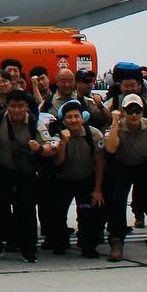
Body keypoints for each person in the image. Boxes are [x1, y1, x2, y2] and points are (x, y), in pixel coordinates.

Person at [103, 92, 147, 261]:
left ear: (142, 112)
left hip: (145, 166)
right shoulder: (115, 127)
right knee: (117, 202)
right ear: (123, 111)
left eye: (137, 110)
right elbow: (110, 149)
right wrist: (115, 122)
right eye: (129, 110)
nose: (134, 114)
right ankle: (117, 241)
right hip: (122, 165)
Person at [0, 89, 48, 262]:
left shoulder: (36, 124)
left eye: (21, 106)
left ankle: (29, 250)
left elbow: (48, 146)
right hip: (2, 172)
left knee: (26, 211)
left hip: (25, 174)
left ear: (27, 106)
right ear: (7, 106)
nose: (17, 110)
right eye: (13, 106)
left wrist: (41, 149)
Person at [47, 100, 106, 257]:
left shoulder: (94, 134)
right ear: (63, 120)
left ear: (82, 118)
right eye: (69, 117)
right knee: (58, 214)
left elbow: (99, 164)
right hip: (63, 180)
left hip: (85, 179)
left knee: (88, 214)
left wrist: (97, 190)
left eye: (76, 116)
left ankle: (88, 245)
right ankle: (60, 242)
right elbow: (58, 162)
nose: (73, 120)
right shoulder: (58, 135)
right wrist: (63, 143)